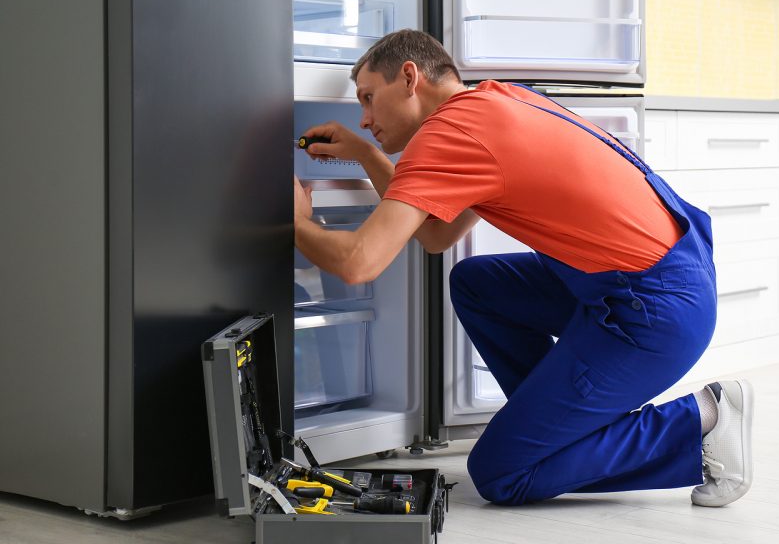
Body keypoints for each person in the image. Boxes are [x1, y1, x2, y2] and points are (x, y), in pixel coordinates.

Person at [293, 29, 753, 507]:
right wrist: (367, 155)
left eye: (368, 98)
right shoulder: (501, 99)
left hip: (651, 313)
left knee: (502, 473)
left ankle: (704, 420)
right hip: (671, 280)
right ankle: (550, 426)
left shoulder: (448, 134)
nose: (364, 119)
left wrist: (295, 220)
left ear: (410, 78)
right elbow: (437, 235)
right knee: (476, 284)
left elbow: (359, 262)